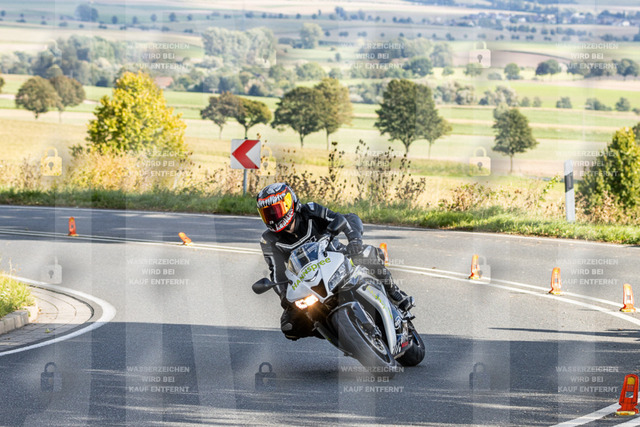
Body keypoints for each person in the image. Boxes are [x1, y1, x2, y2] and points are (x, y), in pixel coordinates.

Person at [257, 182, 414, 340]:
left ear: (290, 203)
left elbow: (343, 219)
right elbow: (276, 272)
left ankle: (395, 293)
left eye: (276, 210)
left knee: (366, 254)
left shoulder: (310, 210)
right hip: (309, 282)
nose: (273, 218)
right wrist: (284, 297)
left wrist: (354, 241)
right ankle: (334, 332)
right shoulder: (268, 240)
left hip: (338, 259)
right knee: (289, 326)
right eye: (267, 214)